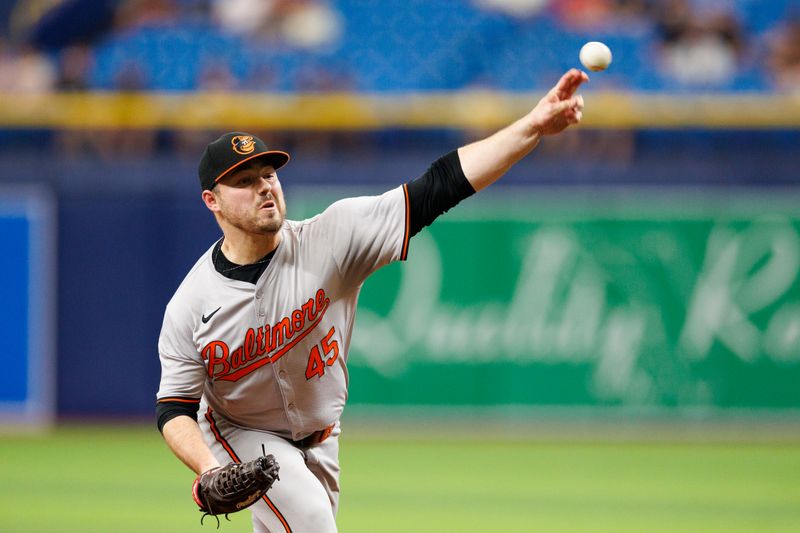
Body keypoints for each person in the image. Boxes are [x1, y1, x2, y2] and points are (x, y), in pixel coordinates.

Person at [156, 68, 588, 532]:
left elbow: (441, 185)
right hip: (240, 433)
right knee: (313, 523)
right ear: (211, 201)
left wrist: (532, 126)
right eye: (244, 180)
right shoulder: (191, 303)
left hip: (322, 437)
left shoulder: (333, 237)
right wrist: (210, 469)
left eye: (268, 173)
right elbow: (174, 408)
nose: (264, 185)